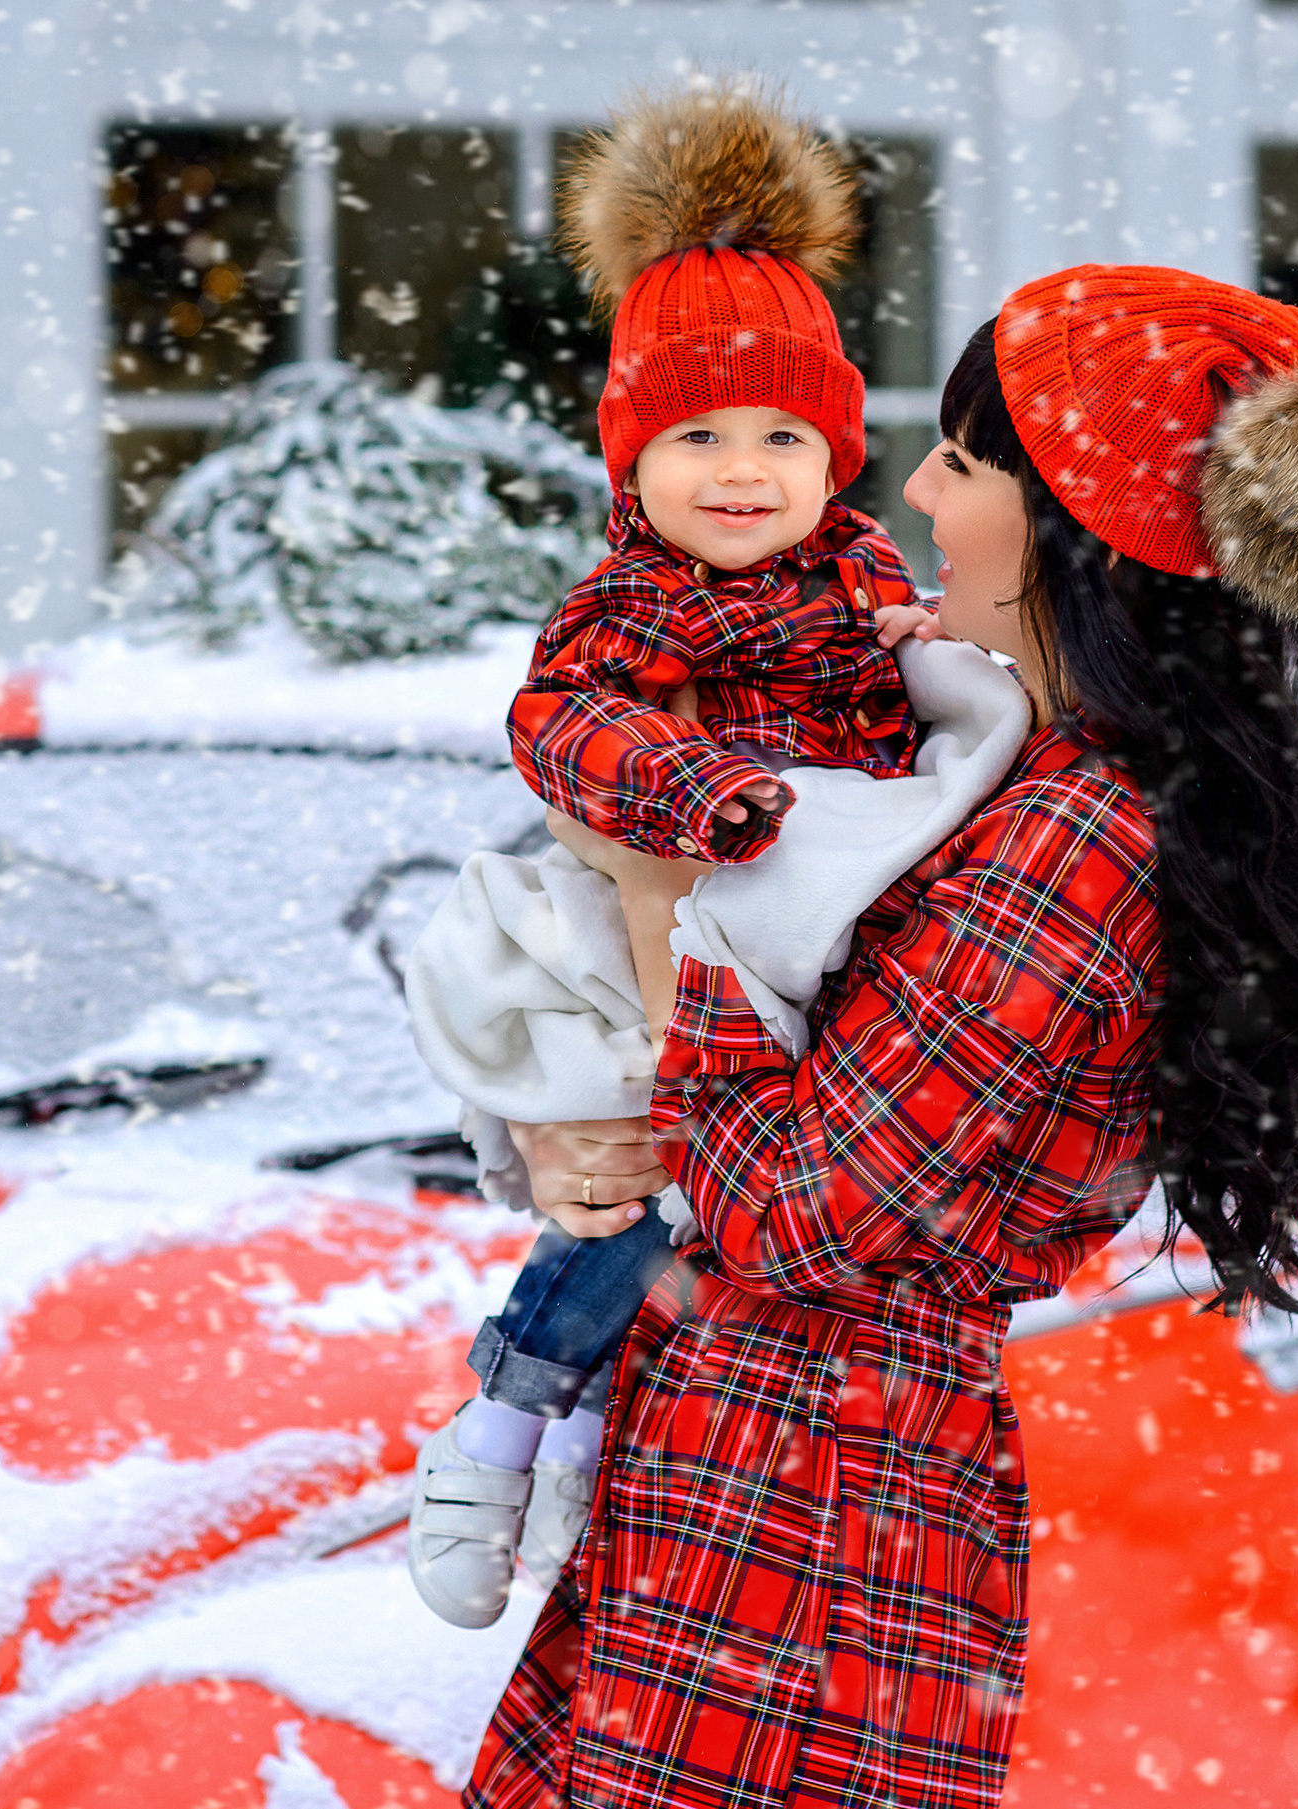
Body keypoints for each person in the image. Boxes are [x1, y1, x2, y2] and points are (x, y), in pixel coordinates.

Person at [463, 262, 1298, 1809]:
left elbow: (786, 1209)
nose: (912, 483)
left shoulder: (1078, 836)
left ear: (1079, 530)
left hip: (806, 1501)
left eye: (970, 460)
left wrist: (669, 902)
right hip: (764, 1456)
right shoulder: (987, 756)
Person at [402, 85, 1039, 1633]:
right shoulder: (626, 607)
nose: (742, 468)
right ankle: (497, 1422)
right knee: (620, 1201)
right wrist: (697, 789)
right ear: (633, 460)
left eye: (782, 433)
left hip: (793, 982)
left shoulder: (867, 586)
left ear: (833, 454)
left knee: (697, 1220)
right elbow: (560, 729)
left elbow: (910, 718)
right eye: (696, 435)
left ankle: (582, 1447)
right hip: (656, 961)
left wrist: (911, 649)